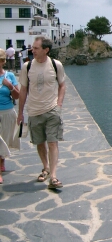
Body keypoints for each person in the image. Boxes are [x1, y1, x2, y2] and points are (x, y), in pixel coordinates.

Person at [17, 36, 66, 189]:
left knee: (53, 142)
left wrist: (58, 105)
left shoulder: (55, 65)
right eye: (33, 47)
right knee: (40, 143)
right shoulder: (27, 66)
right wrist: (20, 112)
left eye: (36, 48)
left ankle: (53, 176)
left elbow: (62, 85)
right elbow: (23, 89)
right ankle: (45, 167)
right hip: (34, 111)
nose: (33, 50)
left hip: (52, 110)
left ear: (46, 50)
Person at [0, 49, 20, 184]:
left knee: (4, 140)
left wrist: (10, 86)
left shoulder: (9, 76)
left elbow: (17, 96)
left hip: (7, 112)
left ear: (2, 62)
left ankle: (1, 162)